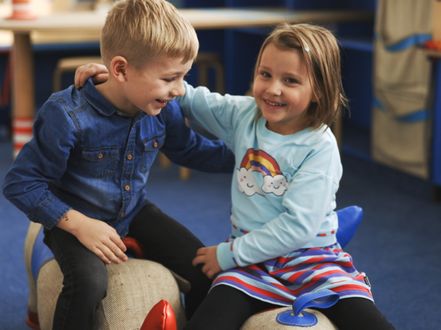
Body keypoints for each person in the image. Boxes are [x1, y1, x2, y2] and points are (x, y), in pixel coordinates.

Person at [75, 23, 394, 330]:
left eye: (291, 81)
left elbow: (297, 228)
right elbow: (190, 97)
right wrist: (124, 79)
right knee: (209, 316)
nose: (273, 89)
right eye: (265, 74)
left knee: (366, 318)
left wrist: (227, 255)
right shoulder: (246, 115)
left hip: (313, 259)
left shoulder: (319, 147)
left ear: (319, 91)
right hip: (252, 267)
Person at [2, 0, 234, 329]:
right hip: (75, 216)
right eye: (170, 78)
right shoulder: (66, 115)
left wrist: (248, 157)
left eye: (183, 77)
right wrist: (79, 224)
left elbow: (190, 150)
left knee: (205, 271)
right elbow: (21, 183)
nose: (180, 89)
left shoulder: (163, 107)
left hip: (133, 212)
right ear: (121, 70)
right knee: (89, 283)